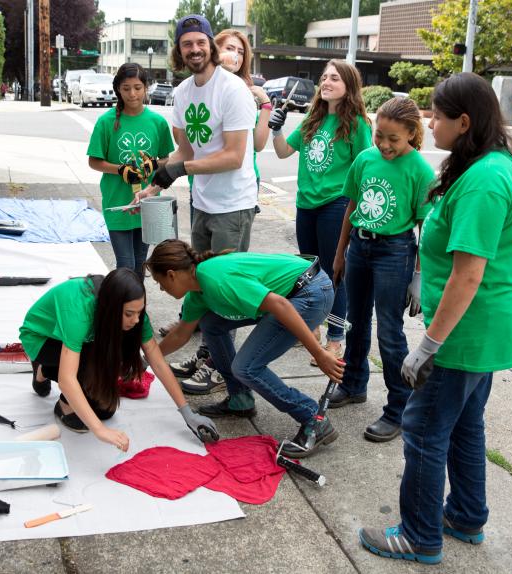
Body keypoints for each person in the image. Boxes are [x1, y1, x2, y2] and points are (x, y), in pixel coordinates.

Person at [359, 73, 512, 564]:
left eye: (436, 115)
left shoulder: (484, 180)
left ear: (464, 121)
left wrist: (427, 345)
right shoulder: (486, 166)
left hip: (463, 336)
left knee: (425, 429)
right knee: (465, 425)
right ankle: (467, 516)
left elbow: (468, 275)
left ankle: (418, 535)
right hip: (479, 333)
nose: (429, 123)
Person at [135, 14, 258, 396]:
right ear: (179, 49)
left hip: (233, 204)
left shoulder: (233, 90)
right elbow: (185, 150)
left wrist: (181, 169)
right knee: (200, 284)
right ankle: (209, 357)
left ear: (212, 46)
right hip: (203, 203)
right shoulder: (183, 93)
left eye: (199, 42)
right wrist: (157, 179)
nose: (194, 49)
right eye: (186, 43)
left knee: (222, 290)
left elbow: (235, 156)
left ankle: (216, 367)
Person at [148, 239, 346, 458]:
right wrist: (146, 359)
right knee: (210, 324)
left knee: (246, 367)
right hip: (293, 293)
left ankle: (313, 419)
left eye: (160, 282)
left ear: (172, 274)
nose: (161, 288)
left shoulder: (216, 279)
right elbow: (180, 333)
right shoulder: (198, 293)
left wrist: (319, 353)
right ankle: (240, 400)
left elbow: (280, 305)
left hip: (309, 293)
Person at [330, 97, 436, 442]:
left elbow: (424, 228)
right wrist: (341, 252)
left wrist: (418, 276)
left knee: (389, 332)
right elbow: (352, 205)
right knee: (355, 322)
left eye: (394, 139)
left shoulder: (420, 170)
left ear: (411, 135)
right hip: (360, 247)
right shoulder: (364, 159)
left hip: (395, 251)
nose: (385, 145)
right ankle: (353, 384)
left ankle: (398, 409)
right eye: (380, 136)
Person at [19, 268, 219, 450]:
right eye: (129, 314)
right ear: (110, 307)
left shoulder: (132, 313)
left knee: (105, 411)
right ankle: (61, 399)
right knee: (89, 374)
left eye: (140, 312)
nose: (136, 320)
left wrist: (187, 413)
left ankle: (45, 371)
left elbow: (157, 360)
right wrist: (99, 430)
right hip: (43, 339)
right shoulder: (78, 312)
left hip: (82, 342)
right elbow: (67, 378)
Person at [269, 59, 372, 364]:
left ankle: (335, 340)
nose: (326, 83)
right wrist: (276, 128)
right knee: (309, 271)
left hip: (336, 205)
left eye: (335, 79)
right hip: (306, 205)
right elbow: (282, 151)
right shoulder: (311, 120)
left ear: (349, 87)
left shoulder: (356, 124)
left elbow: (366, 166)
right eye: (324, 78)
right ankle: (311, 329)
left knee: (334, 274)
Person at [87, 63, 174, 280]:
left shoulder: (158, 122)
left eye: (137, 87)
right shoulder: (106, 122)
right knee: (125, 264)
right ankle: (124, 309)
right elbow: (94, 161)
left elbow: (167, 159)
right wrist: (121, 170)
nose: (132, 94)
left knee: (140, 264)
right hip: (117, 202)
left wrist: (152, 164)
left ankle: (136, 311)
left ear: (145, 87)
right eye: (126, 88)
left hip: (146, 202)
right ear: (118, 89)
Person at [214, 29, 272, 199]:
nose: (235, 55)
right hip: (204, 182)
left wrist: (266, 104)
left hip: (241, 186)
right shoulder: (200, 87)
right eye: (229, 48)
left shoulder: (245, 92)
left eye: (240, 52)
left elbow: (258, 144)